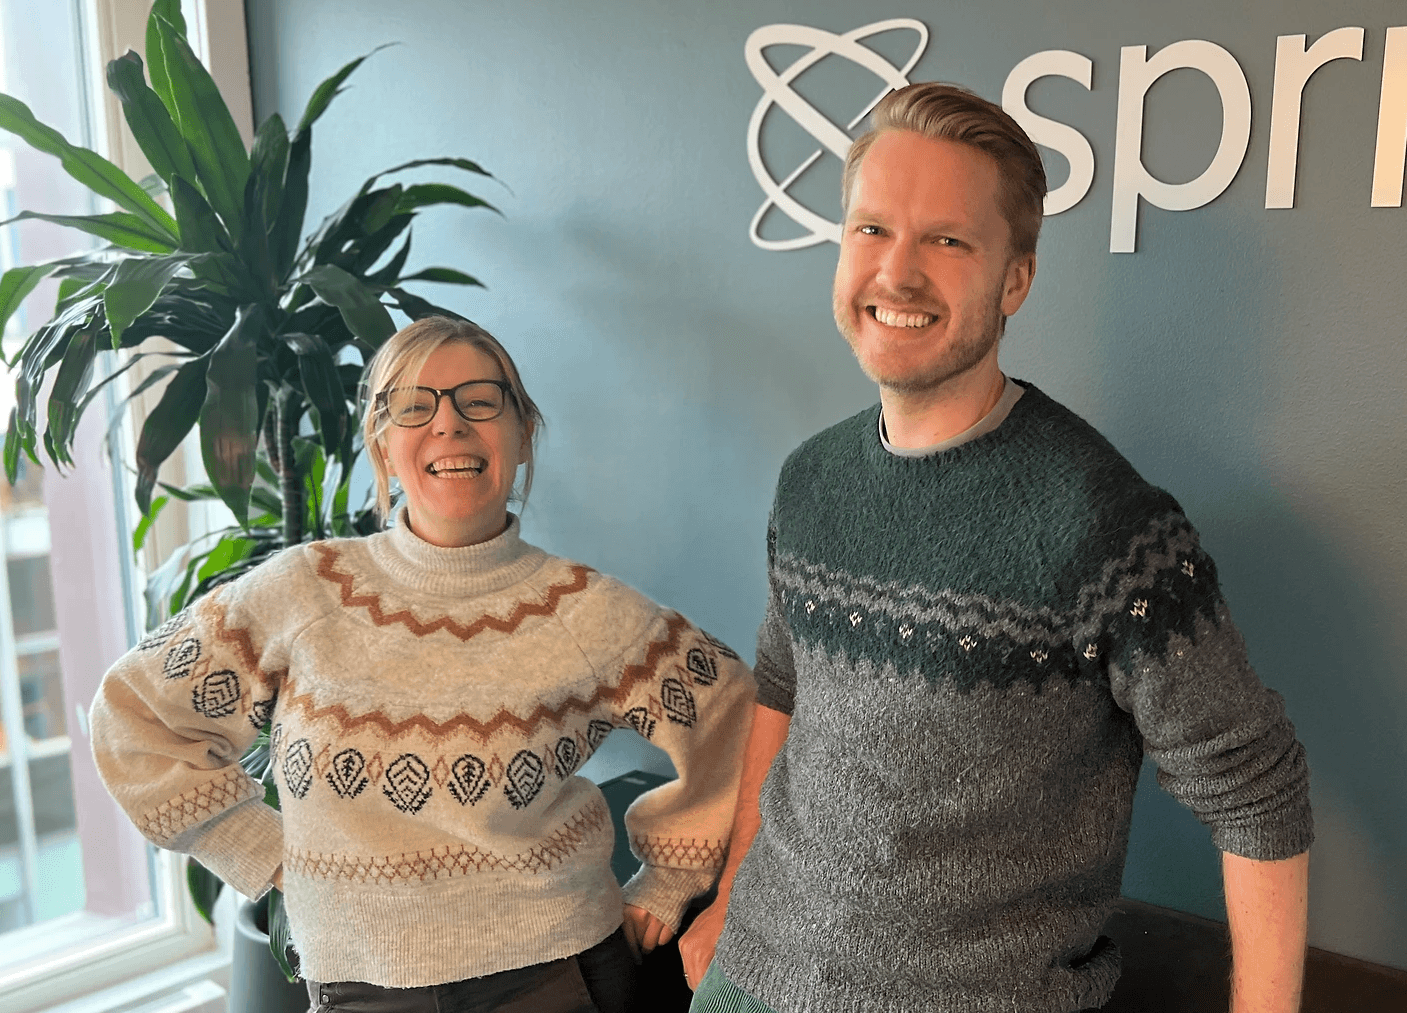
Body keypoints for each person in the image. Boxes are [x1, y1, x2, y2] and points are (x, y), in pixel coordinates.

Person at [680, 83, 1314, 1013]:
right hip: (750, 979)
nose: (897, 273)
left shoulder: (1102, 520)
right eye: (871, 229)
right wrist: (731, 897)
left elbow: (1257, 790)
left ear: (1014, 280)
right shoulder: (811, 479)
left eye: (947, 241)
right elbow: (782, 684)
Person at [90, 316, 755, 1012]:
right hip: (359, 985)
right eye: (413, 405)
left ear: (523, 433)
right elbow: (132, 717)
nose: (449, 424)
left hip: (560, 976)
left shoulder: (590, 612)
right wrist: (258, 849)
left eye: (480, 401)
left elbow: (736, 715)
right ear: (382, 443)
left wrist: (671, 878)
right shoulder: (301, 591)